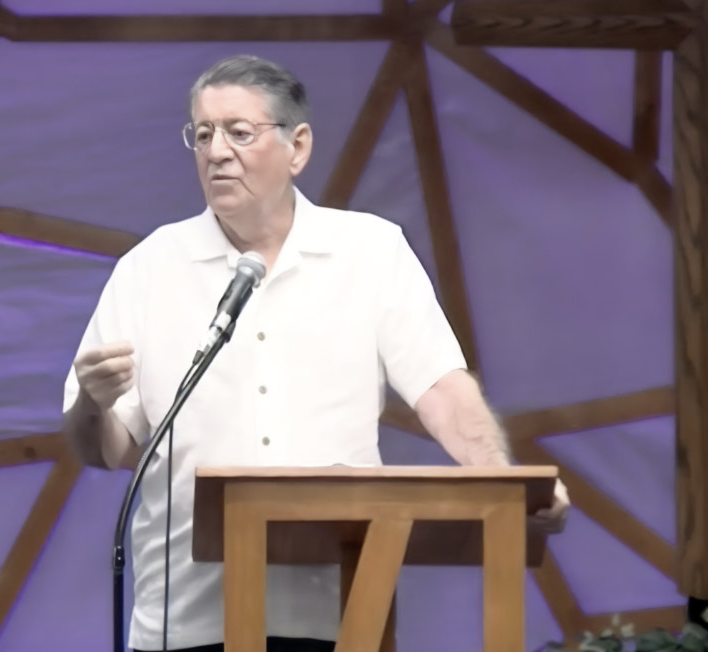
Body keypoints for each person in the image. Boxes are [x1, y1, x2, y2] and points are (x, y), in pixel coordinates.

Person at [62, 55, 569, 652]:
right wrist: (93, 403)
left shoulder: (370, 251)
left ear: (297, 146)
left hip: (340, 612)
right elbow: (103, 450)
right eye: (202, 134)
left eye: (239, 132)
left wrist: (503, 487)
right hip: (187, 619)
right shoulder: (150, 268)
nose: (216, 151)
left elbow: (441, 388)